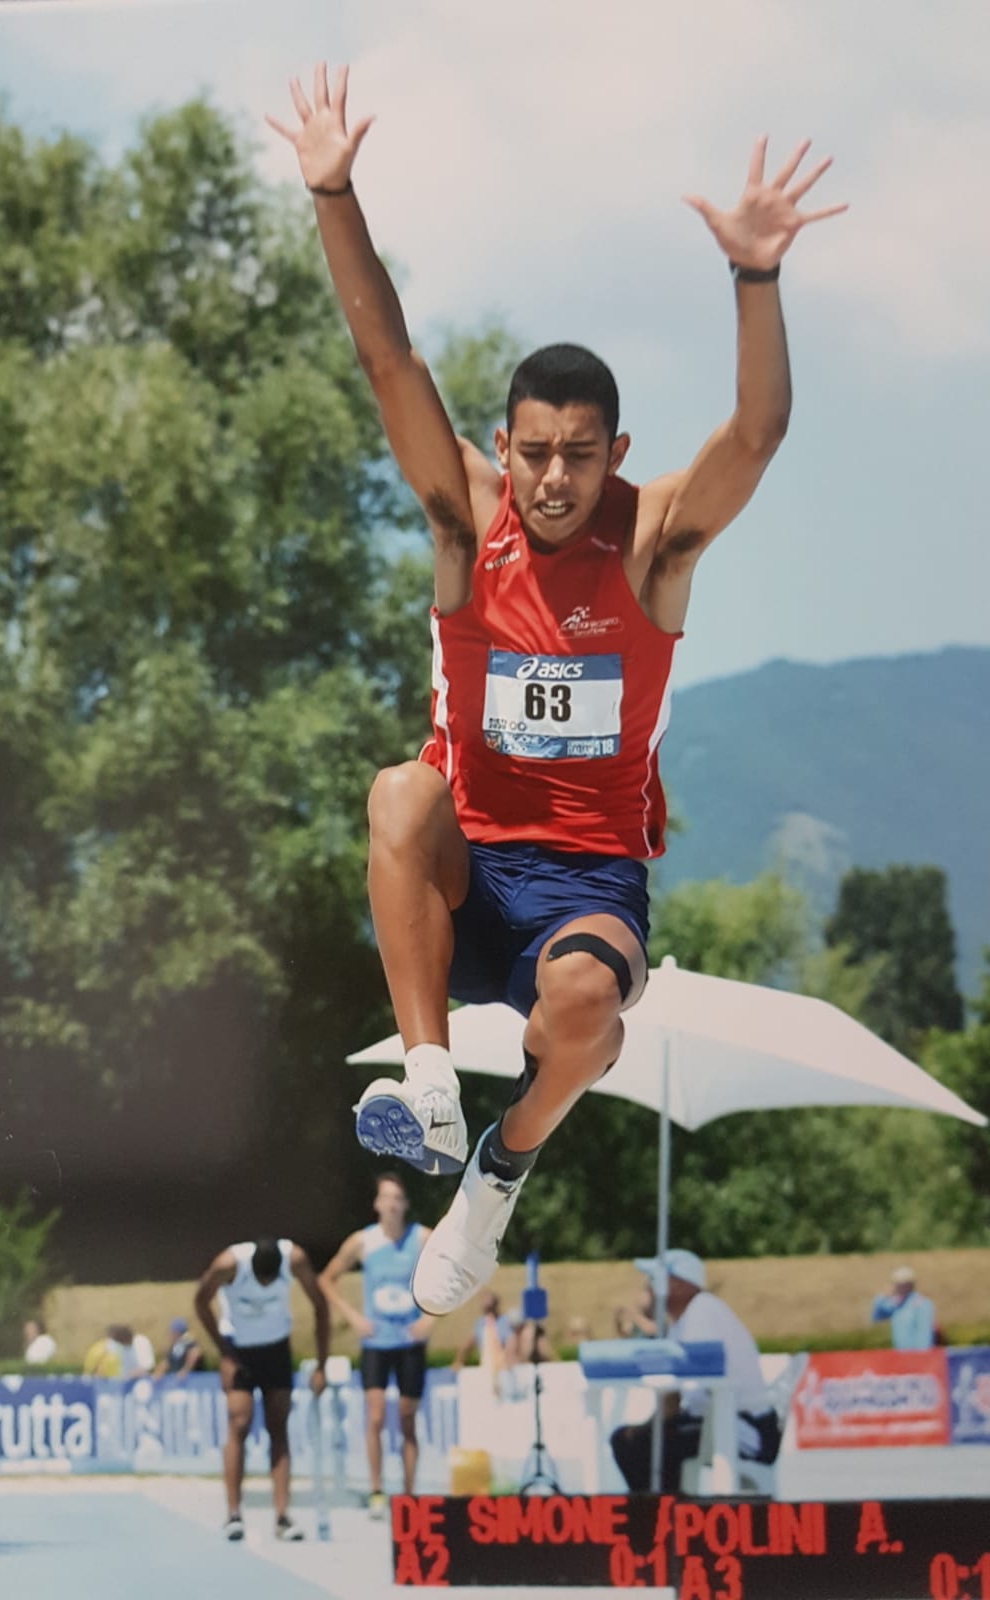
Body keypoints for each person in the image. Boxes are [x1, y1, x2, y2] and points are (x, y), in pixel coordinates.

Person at [268, 65, 845, 1319]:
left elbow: (755, 434)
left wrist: (755, 276)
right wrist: (333, 193)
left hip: (584, 881)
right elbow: (386, 359)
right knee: (400, 790)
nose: (552, 479)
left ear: (614, 454)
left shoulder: (653, 543)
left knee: (588, 1012)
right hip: (466, 861)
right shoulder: (466, 519)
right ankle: (429, 1079)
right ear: (504, 443)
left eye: (580, 456)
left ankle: (498, 1168)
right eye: (533, 452)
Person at [194, 1236, 330, 1543]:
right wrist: (224, 1352)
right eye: (261, 1282)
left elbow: (320, 1306)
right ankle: (233, 1513)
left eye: (271, 1282)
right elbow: (200, 1301)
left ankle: (282, 1516)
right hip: (239, 1350)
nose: (266, 1287)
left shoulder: (294, 1259)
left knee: (278, 1426)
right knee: (239, 1421)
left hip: (276, 1349)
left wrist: (321, 1365)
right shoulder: (228, 1265)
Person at [609, 1250, 781, 1494]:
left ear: (679, 1284)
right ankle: (666, 1510)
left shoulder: (701, 1312)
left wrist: (643, 1430)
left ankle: (666, 1512)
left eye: (652, 1281)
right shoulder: (686, 1319)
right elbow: (676, 1397)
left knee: (640, 1444)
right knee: (635, 1441)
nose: (646, 1288)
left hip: (742, 1429)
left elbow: (683, 1392)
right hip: (720, 1421)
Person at [321, 1172, 434, 1518]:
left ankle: (410, 1494)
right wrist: (353, 1317)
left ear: (406, 1204)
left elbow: (456, 1272)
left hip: (409, 1340)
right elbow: (326, 1279)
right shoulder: (363, 1241)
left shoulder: (422, 1238)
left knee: (407, 1417)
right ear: (377, 1204)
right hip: (376, 1341)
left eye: (398, 1198)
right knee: (375, 1416)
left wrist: (431, 1317)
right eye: (387, 1198)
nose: (392, 1205)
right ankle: (375, 1490)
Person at [870, 1265, 936, 1351]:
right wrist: (882, 1296)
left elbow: (925, 1335)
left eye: (901, 1284)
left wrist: (922, 1356)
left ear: (910, 1285)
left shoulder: (921, 1303)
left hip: (916, 1355)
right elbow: (877, 1317)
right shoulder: (895, 1304)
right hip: (900, 1355)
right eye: (896, 1284)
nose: (897, 1287)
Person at [450, 1291, 514, 1376]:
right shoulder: (480, 1322)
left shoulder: (504, 1321)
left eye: (490, 1308)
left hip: (503, 1367)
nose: (489, 1312)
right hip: (486, 1366)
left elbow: (511, 1343)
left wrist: (509, 1363)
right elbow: (468, 1343)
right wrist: (459, 1361)